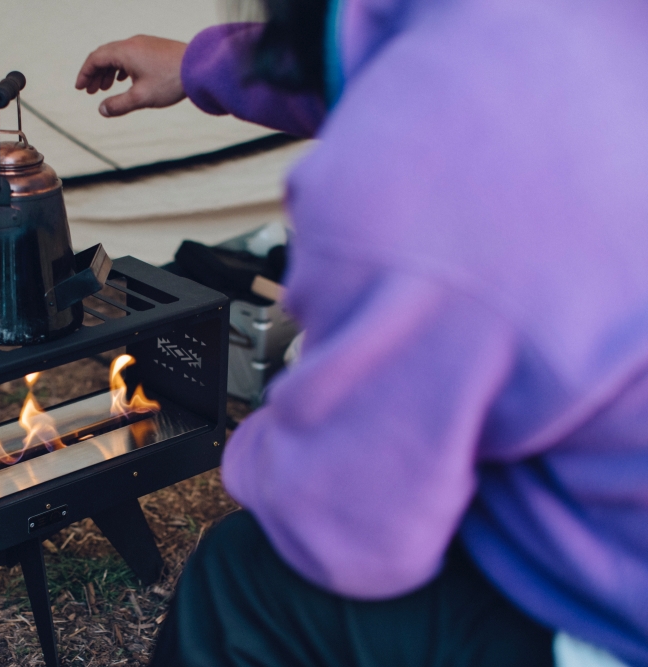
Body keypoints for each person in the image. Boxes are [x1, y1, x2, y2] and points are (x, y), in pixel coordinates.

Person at [75, 1, 648, 666]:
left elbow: (351, 535)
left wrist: (277, 440)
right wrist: (203, 64)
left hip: (616, 619)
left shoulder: (415, 159)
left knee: (241, 578)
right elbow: (389, 47)